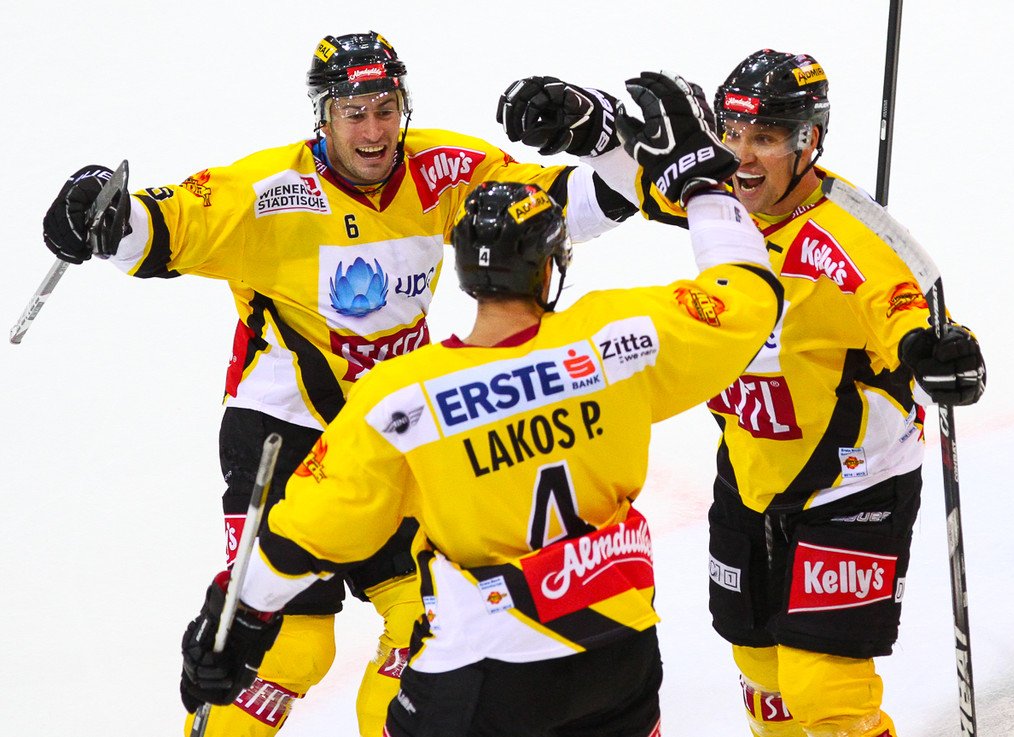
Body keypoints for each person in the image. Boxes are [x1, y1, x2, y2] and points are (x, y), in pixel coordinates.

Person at [40, 31, 641, 737]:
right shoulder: (270, 193)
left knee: (426, 626)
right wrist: (99, 212)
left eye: (386, 109)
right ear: (322, 115)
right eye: (354, 113)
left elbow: (573, 207)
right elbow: (157, 228)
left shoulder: (446, 171)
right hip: (283, 437)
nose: (374, 130)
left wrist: (600, 135)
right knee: (290, 646)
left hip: (390, 436)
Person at [177, 73, 783, 737]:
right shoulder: (619, 339)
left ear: (462, 271)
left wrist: (235, 616)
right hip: (617, 660)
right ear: (551, 267)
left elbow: (308, 529)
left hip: (484, 672)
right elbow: (749, 294)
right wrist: (702, 184)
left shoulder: (402, 396)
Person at [504, 52, 987, 737]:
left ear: (808, 141)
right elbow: (649, 175)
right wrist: (588, 125)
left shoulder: (846, 236)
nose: (743, 154)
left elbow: (905, 309)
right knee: (763, 676)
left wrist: (939, 352)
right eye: (732, 133)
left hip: (852, 487)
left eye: (765, 137)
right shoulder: (723, 199)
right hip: (749, 476)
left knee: (825, 691)